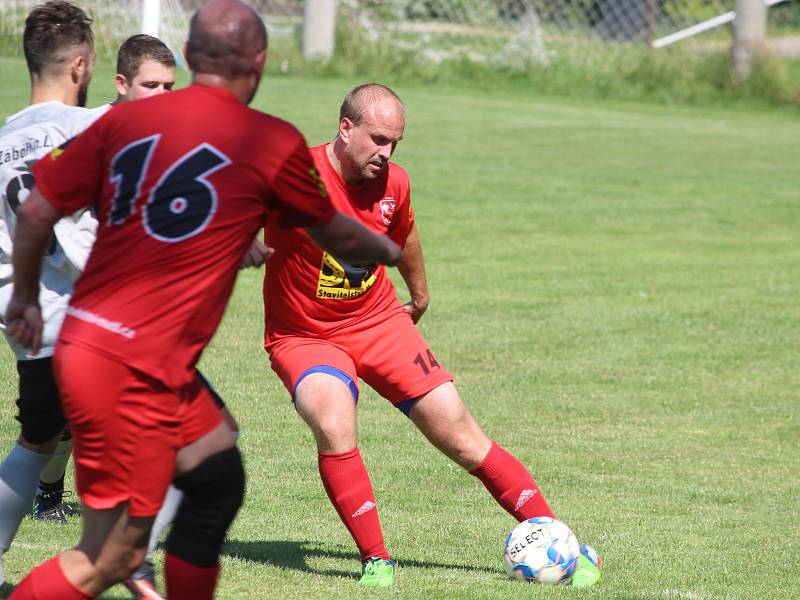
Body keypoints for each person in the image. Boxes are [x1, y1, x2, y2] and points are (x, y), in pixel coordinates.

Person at [5, 2, 401, 599]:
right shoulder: (269, 139)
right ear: (261, 62)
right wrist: (389, 249)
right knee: (109, 555)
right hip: (129, 363)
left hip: (96, 346)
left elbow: (38, 211)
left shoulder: (122, 123)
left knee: (217, 478)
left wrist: (28, 299)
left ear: (187, 58)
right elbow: (337, 233)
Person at [262, 83, 603, 588]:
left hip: (378, 321)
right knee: (334, 421)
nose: (387, 153)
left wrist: (419, 296)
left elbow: (404, 236)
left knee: (462, 434)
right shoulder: (296, 177)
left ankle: (562, 546)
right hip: (304, 335)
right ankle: (377, 559)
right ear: (345, 127)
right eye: (378, 139)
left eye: (395, 143)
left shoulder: (394, 183)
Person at [0, 0, 105, 584]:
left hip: (29, 320)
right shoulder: (93, 131)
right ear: (82, 66)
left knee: (38, 440)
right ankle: (119, 567)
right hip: (94, 320)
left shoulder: (2, 140)